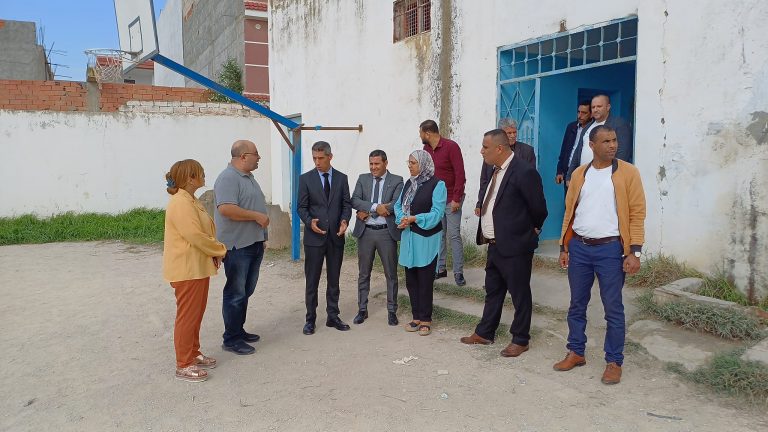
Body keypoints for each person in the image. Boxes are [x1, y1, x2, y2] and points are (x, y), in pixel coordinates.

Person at [554, 125, 646, 385]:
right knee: (577, 304)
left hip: (611, 250)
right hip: (580, 248)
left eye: (614, 140)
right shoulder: (580, 173)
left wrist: (635, 251)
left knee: (613, 308)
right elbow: (570, 212)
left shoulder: (628, 172)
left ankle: (614, 361)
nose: (612, 145)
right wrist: (564, 246)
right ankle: (576, 351)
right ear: (591, 145)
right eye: (606, 141)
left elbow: (637, 213)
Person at [460, 130, 548, 357]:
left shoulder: (524, 171)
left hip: (516, 245)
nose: (481, 151)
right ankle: (485, 332)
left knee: (519, 294)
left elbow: (539, 208)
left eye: (485, 147)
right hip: (494, 244)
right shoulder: (495, 170)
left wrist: (532, 230)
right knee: (493, 291)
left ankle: (521, 338)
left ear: (499, 148)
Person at [162, 159, 227, 382]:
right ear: (190, 178)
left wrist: (212, 253)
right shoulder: (180, 203)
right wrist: (219, 250)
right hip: (186, 269)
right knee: (188, 316)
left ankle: (193, 352)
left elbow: (203, 232)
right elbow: (194, 235)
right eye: (200, 172)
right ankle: (183, 364)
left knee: (196, 314)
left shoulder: (190, 199)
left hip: (196, 266)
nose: (203, 175)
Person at [213, 140, 270, 356]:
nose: (259, 157)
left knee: (246, 290)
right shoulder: (228, 178)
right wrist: (256, 217)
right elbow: (226, 209)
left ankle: (238, 330)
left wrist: (262, 236)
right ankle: (231, 339)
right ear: (243, 156)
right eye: (256, 154)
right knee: (236, 293)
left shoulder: (248, 177)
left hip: (252, 243)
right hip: (237, 246)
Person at [298, 141, 352, 335]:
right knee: (312, 280)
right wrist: (309, 221)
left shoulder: (341, 178)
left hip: (335, 237)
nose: (317, 162)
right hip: (314, 238)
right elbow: (301, 207)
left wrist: (345, 220)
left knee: (334, 279)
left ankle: (333, 316)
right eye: (314, 158)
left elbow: (346, 204)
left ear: (330, 157)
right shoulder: (305, 179)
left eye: (321, 158)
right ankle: (310, 319)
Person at [395, 149, 447, 336]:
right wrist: (402, 218)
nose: (409, 166)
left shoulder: (438, 185)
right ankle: (416, 317)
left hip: (427, 239)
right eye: (408, 162)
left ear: (423, 164)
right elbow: (398, 205)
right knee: (411, 280)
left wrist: (415, 218)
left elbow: (437, 213)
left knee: (425, 280)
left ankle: (426, 319)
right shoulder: (409, 183)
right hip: (409, 237)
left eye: (413, 163)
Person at [351, 150, 404, 326]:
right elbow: (354, 200)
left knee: (391, 273)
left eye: (377, 164)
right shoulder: (363, 179)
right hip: (365, 232)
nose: (373, 167)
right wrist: (375, 207)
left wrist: (368, 210)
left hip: (386, 233)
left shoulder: (397, 180)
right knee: (363, 273)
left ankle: (392, 311)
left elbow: (396, 204)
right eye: (371, 164)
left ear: (385, 163)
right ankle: (362, 310)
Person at [420, 119, 467, 286]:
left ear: (428, 133)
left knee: (453, 235)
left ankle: (458, 272)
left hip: (452, 198)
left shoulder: (451, 147)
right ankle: (440, 268)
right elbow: (425, 174)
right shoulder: (426, 150)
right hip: (436, 200)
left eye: (421, 133)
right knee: (439, 235)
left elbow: (460, 174)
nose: (420, 137)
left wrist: (456, 198)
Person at [474, 118, 537, 216]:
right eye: (509, 133)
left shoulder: (527, 151)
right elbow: (484, 180)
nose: (513, 136)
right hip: (492, 204)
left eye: (514, 132)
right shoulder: (491, 151)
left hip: (516, 206)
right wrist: (480, 203)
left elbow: (531, 182)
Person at [566, 94, 633, 183]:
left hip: (607, 179)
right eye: (593, 107)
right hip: (585, 178)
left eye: (599, 106)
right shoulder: (587, 127)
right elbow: (578, 152)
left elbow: (623, 153)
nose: (595, 109)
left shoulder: (619, 124)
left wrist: (608, 176)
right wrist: (570, 176)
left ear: (608, 107)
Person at [556, 101, 592, 198]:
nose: (580, 116)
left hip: (585, 173)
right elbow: (564, 150)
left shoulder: (594, 129)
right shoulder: (571, 127)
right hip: (569, 172)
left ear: (591, 114)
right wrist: (559, 171)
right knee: (569, 202)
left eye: (584, 113)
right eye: (578, 112)